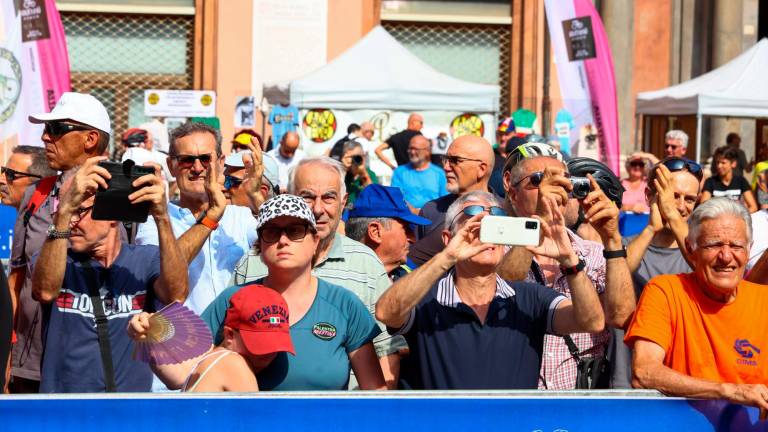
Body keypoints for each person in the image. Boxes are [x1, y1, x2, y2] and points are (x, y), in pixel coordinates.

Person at [375, 190, 605, 389]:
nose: (486, 232)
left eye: (497, 223)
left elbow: (590, 322)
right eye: (474, 222)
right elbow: (387, 312)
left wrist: (570, 261)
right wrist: (447, 257)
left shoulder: (529, 297)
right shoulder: (426, 297)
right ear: (448, 238)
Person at [232, 156, 404, 388]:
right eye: (308, 197)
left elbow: (385, 349)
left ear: (343, 202)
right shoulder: (253, 262)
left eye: (329, 198)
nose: (318, 209)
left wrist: (371, 416)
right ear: (288, 197)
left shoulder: (365, 264)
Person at [31, 157, 188, 392]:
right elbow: (44, 290)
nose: (71, 221)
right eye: (64, 208)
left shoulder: (145, 260)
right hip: (64, 413)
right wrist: (63, 212)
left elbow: (176, 295)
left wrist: (162, 217)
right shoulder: (53, 258)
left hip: (128, 412)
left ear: (112, 212)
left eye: (80, 210)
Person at [202, 195, 386, 390]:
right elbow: (189, 373)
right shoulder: (232, 299)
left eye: (295, 231)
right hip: (247, 420)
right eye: (272, 232)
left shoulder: (344, 304)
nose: (283, 240)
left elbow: (375, 394)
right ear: (260, 244)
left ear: (315, 241)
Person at [500, 142, 635, 390]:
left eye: (562, 182)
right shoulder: (493, 245)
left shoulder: (592, 252)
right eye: (538, 180)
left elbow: (622, 317)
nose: (552, 191)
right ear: (512, 189)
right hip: (517, 396)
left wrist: (612, 239)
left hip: (579, 401)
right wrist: (538, 221)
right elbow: (503, 286)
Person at [10, 92, 112, 393]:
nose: (44, 137)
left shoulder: (121, 198)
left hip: (91, 365)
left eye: (55, 129)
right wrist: (7, 356)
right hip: (31, 364)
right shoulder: (35, 194)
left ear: (90, 139)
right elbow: (16, 280)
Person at [626, 198, 768, 411]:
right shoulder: (665, 291)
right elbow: (645, 371)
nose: (726, 256)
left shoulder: (763, 300)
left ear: (748, 251)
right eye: (714, 244)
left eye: (736, 246)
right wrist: (730, 392)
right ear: (691, 249)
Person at [610, 157, 702, 388]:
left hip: (683, 382)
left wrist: (670, 213)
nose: (680, 207)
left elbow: (705, 272)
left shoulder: (700, 255)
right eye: (673, 196)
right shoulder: (626, 245)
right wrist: (651, 229)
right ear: (649, 195)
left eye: (689, 199)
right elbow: (616, 272)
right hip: (625, 380)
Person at [128, 284, 294, 392]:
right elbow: (254, 425)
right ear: (229, 335)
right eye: (260, 345)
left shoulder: (207, 358)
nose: (268, 355)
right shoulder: (235, 364)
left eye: (274, 345)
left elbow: (176, 377)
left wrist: (148, 333)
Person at [408, 135, 495, 266]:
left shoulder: (505, 212)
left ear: (481, 169)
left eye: (455, 160)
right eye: (446, 159)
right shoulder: (431, 210)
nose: (446, 167)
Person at [345, 184, 431, 281]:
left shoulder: (410, 273)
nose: (413, 239)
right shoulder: (342, 283)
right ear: (375, 232)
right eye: (406, 229)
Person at [390, 134, 447, 211]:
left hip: (433, 218)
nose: (412, 152)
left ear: (427, 151)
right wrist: (414, 211)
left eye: (416, 149)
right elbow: (396, 198)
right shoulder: (399, 172)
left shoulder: (440, 174)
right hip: (407, 217)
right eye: (410, 148)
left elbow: (445, 201)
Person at [700, 146, 758, 213]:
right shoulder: (710, 182)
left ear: (733, 164)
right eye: (718, 162)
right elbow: (703, 207)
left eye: (723, 163)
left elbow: (753, 207)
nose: (719, 166)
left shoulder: (741, 181)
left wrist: (739, 216)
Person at [341, 140, 377, 206]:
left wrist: (363, 173)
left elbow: (374, 195)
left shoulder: (370, 174)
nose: (357, 159)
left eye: (360, 156)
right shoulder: (341, 173)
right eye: (352, 157)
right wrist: (343, 169)